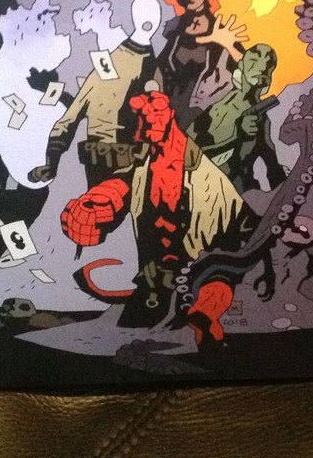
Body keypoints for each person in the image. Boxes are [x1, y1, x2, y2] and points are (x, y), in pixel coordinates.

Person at [59, 91, 255, 349]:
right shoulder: (150, 159)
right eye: (143, 123)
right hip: (157, 270)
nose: (143, 132)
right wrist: (100, 202)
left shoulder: (201, 173)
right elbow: (127, 182)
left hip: (201, 257)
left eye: (151, 123)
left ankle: (204, 317)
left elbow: (235, 225)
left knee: (216, 279)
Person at [28, 0, 163, 188]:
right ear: (134, 16)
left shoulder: (152, 71)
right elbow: (71, 116)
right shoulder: (108, 66)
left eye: (152, 15)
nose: (148, 19)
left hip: (132, 166)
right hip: (100, 161)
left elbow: (158, 125)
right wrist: (52, 161)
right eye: (143, 13)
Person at [157, 0, 250, 129]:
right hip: (168, 113)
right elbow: (160, 66)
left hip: (205, 120)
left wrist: (229, 47)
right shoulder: (173, 30)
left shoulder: (220, 31)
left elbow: (249, 71)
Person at [188, 44, 286, 192]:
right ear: (241, 64)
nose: (262, 66)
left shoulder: (258, 120)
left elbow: (272, 165)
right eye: (254, 59)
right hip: (195, 178)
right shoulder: (223, 101)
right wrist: (238, 135)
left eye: (268, 63)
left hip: (226, 189)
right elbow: (191, 138)